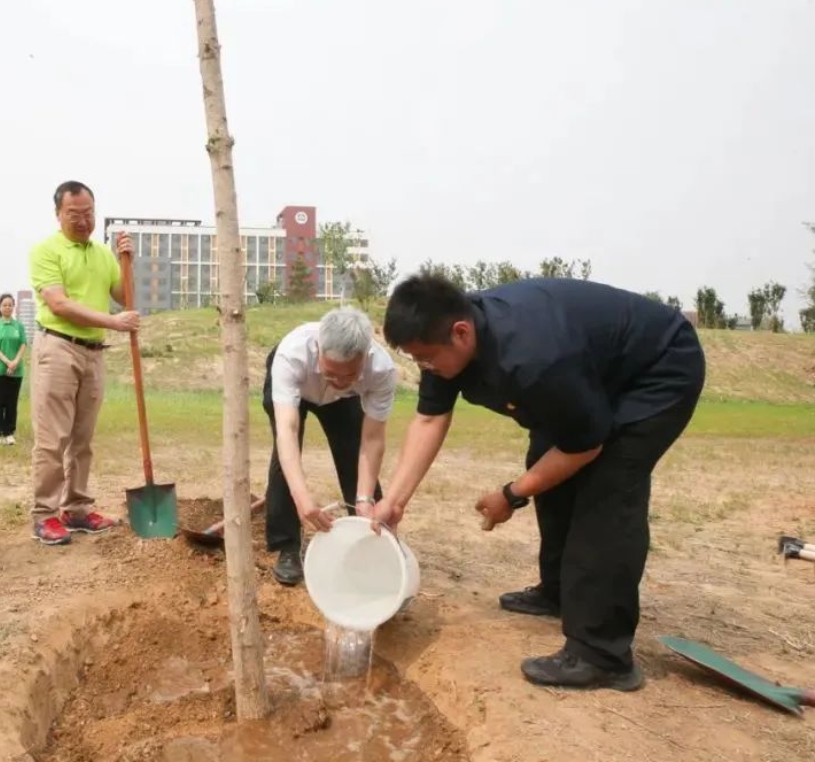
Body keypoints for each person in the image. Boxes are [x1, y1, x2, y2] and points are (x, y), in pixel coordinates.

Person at [370, 273, 705, 692]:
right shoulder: (444, 336)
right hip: (585, 376)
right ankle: (559, 591)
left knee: (606, 493)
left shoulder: (533, 356)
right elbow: (430, 417)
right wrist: (395, 502)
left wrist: (511, 494)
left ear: (461, 333)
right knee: (544, 463)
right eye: (416, 360)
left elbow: (584, 447)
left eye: (426, 359)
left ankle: (603, 655)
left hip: (655, 369)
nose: (425, 368)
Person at [28, 180, 138, 546]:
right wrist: (112, 323)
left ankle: (76, 508)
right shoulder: (46, 251)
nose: (82, 220)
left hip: (93, 352)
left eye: (88, 212)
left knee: (82, 438)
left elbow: (124, 296)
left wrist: (127, 263)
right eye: (73, 213)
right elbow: (59, 305)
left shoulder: (103, 254)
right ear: (58, 214)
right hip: (58, 347)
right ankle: (44, 514)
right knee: (51, 438)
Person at [262, 307, 397, 585]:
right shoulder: (292, 354)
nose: (337, 381)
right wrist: (303, 501)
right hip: (295, 392)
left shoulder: (381, 370)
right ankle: (287, 546)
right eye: (331, 372)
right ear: (319, 348)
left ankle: (369, 539)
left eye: (349, 375)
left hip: (343, 402)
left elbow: (372, 440)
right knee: (285, 459)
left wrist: (364, 498)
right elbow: (287, 430)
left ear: (364, 357)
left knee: (352, 451)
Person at [0, 293, 28, 447]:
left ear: (14, 307)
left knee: (11, 403)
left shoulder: (19, 326)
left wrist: (15, 362)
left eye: (10, 305)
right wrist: (6, 361)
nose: (7, 307)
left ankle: (9, 432)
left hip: (16, 370)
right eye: (4, 305)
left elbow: (23, 344)